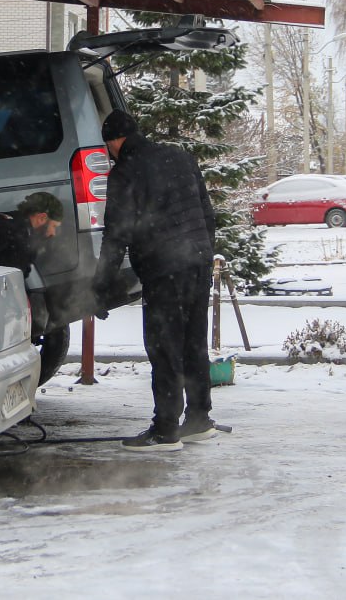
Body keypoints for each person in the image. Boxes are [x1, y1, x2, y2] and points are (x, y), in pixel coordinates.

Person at [92, 110, 218, 452]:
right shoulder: (179, 155)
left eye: (108, 146)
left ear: (115, 141)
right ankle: (199, 418)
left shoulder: (124, 173)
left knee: (164, 348)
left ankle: (165, 430)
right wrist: (205, 251)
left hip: (165, 269)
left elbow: (116, 235)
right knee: (194, 341)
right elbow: (207, 211)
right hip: (199, 261)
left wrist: (101, 285)